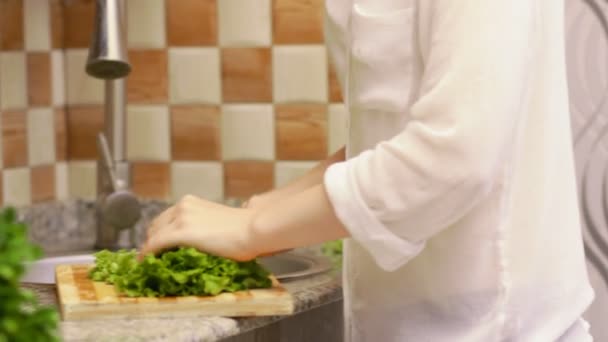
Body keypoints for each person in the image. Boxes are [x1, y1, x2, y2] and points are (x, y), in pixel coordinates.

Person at [140, 0, 596, 340]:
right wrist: (267, 207)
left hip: (493, 329)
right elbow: (394, 139)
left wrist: (253, 229)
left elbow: (454, 157)